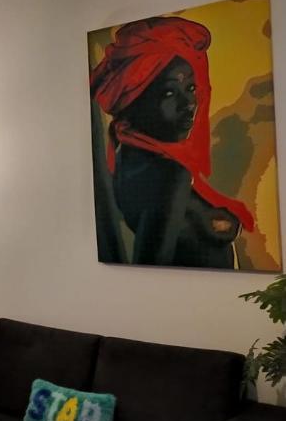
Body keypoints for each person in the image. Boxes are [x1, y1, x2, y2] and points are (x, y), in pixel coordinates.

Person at [90, 16, 254, 268]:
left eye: (190, 88)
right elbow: (150, 265)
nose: (189, 104)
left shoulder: (129, 156)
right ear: (135, 101)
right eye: (169, 92)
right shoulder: (170, 174)